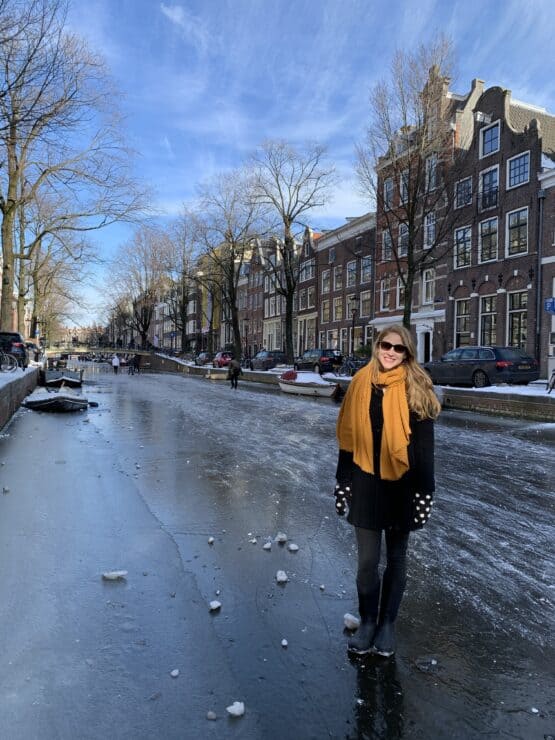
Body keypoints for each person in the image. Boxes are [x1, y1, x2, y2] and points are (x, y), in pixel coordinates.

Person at [334, 324, 441, 658]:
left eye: (399, 348)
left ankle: (387, 625)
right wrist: (342, 482)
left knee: (396, 559)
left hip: (403, 487)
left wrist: (425, 493)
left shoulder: (417, 387)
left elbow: (424, 449)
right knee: (367, 562)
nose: (391, 352)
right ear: (376, 345)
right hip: (365, 482)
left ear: (408, 353)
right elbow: (348, 440)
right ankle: (367, 621)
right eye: (385, 345)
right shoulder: (359, 384)